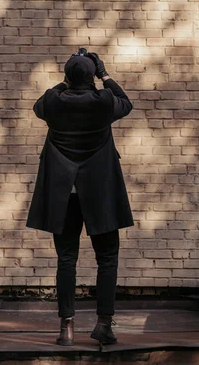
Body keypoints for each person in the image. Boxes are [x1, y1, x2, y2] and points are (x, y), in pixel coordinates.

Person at [25, 49, 134, 346]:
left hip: (65, 195)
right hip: (100, 193)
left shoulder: (54, 102)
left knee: (66, 259)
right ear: (92, 77)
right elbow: (127, 103)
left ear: (67, 77)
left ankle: (67, 328)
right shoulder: (103, 101)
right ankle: (103, 324)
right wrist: (105, 74)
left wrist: (64, 82)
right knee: (108, 258)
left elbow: (38, 105)